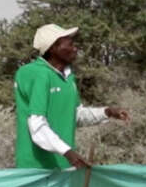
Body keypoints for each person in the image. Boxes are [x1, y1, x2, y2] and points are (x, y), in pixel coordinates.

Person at [14, 24, 130, 169]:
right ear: (52, 48)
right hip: (36, 170)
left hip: (63, 167)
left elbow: (75, 115)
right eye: (69, 44)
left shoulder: (68, 77)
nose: (75, 48)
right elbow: (37, 126)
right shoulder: (36, 74)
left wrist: (107, 112)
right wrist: (69, 153)